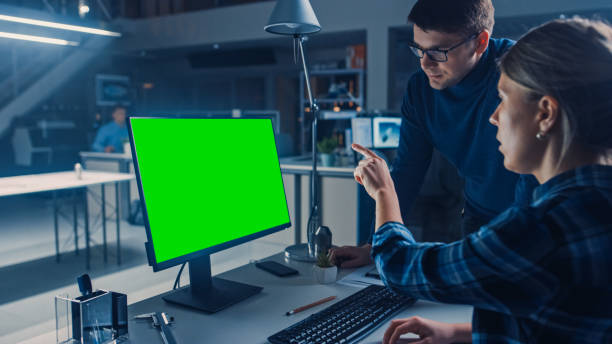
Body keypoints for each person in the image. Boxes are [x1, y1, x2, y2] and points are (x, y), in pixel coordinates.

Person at [353, 18, 612, 344]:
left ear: (546, 113)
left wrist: (383, 191)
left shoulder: (540, 232)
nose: (494, 116)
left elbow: (399, 266)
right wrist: (460, 333)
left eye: (503, 98)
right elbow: (556, 318)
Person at [330, 0, 538, 269]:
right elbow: (407, 171)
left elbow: (534, 171)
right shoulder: (420, 90)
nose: (426, 64)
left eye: (439, 52)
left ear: (480, 42)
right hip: (478, 217)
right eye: (419, 49)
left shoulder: (521, 73)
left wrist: (521, 242)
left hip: (532, 217)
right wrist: (373, 245)